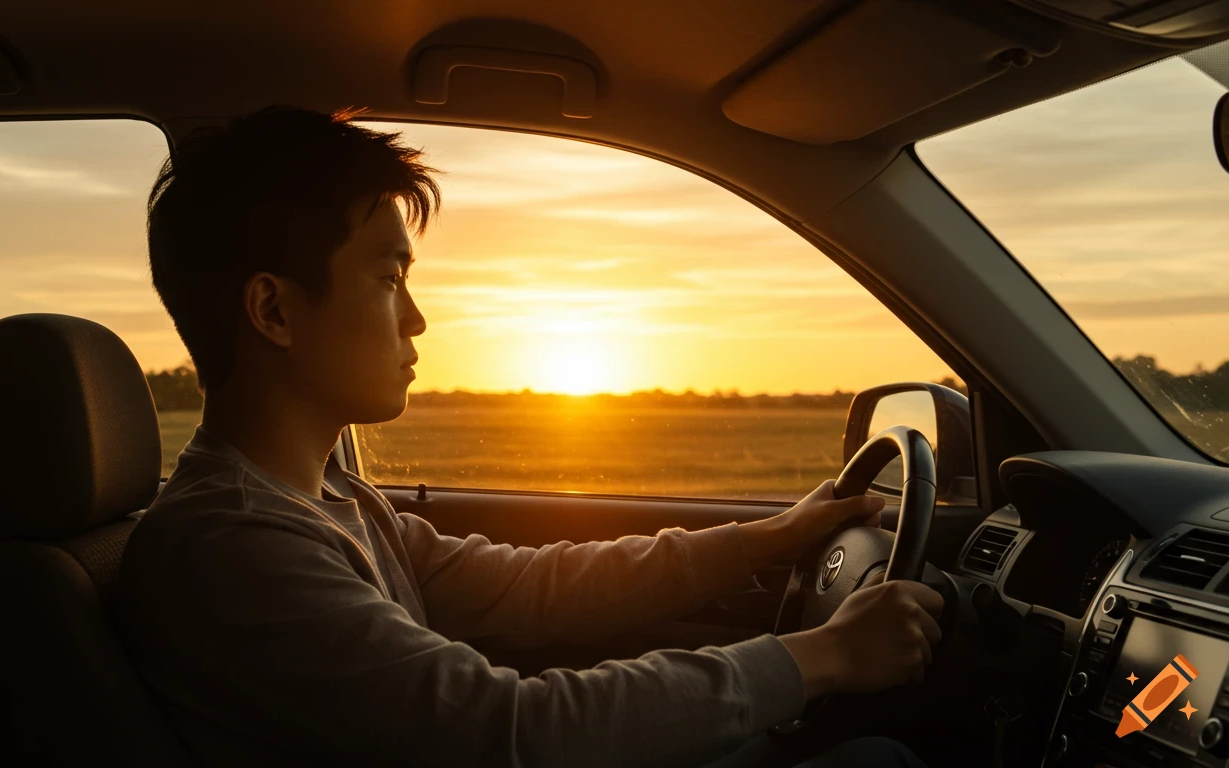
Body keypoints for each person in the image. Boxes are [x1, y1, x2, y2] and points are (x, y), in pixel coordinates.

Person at [114, 106, 944, 768]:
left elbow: (534, 587)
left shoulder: (330, 501)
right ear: (274, 311)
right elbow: (511, 735)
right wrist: (822, 658)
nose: (417, 317)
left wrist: (768, 538)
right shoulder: (230, 546)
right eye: (388, 278)